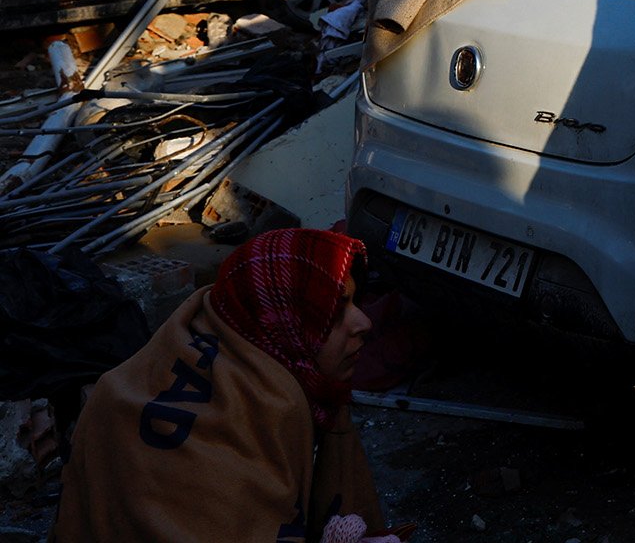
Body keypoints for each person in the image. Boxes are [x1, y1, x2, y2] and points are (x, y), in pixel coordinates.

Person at [53, 228, 394, 543]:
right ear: (282, 325)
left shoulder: (234, 338)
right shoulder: (239, 437)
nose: (364, 322)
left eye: (354, 302)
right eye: (334, 315)